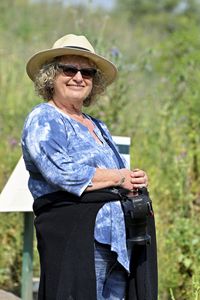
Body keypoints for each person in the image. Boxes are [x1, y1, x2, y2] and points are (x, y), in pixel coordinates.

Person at [21, 34, 157, 300]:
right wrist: (120, 177)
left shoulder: (97, 125)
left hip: (117, 238)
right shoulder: (44, 118)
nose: (78, 77)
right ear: (51, 77)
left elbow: (117, 175)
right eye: (69, 69)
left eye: (87, 72)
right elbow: (62, 172)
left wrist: (134, 181)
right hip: (77, 238)